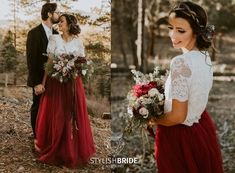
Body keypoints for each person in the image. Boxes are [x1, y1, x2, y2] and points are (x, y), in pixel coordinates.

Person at [148, 1, 224, 173]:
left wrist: (153, 119)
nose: (173, 35)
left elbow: (177, 116)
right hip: (200, 131)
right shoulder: (205, 58)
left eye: (180, 30)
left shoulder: (180, 62)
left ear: (196, 32)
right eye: (170, 28)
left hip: (178, 137)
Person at [34, 13, 96, 168]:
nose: (59, 24)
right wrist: (42, 84)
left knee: (71, 114)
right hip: (56, 84)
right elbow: (49, 64)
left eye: (61, 21)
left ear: (69, 24)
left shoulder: (78, 41)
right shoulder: (54, 39)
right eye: (59, 21)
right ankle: (55, 146)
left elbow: (82, 63)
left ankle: (72, 148)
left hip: (73, 84)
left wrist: (74, 68)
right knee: (57, 114)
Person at [26, 2, 60, 138]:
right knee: (37, 106)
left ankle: (47, 134)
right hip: (39, 79)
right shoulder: (34, 33)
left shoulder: (57, 34)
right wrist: (36, 83)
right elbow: (31, 60)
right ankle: (36, 136)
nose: (59, 14)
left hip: (54, 79)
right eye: (57, 12)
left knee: (50, 108)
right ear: (49, 14)